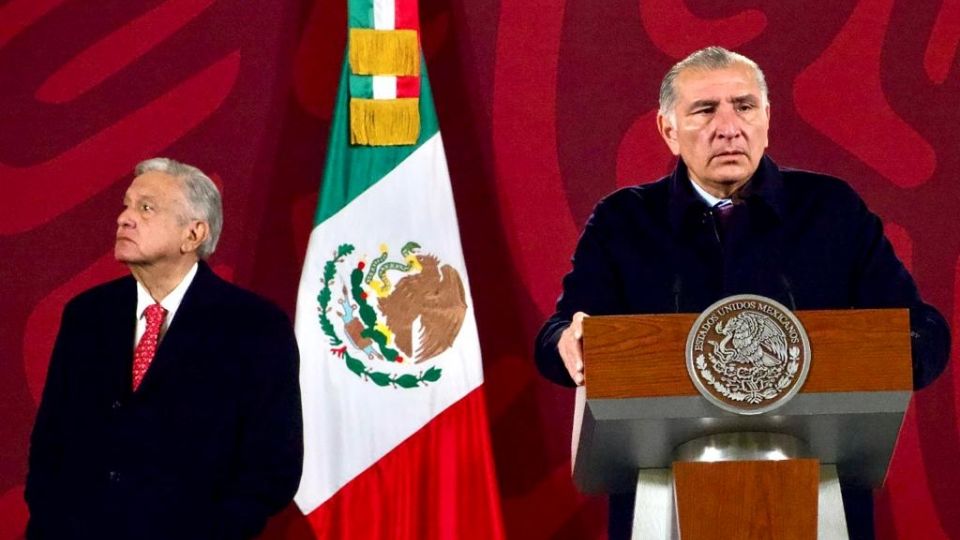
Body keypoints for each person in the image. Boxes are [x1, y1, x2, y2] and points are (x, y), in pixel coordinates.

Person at [534, 47, 951, 539]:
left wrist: (892, 353)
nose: (729, 127)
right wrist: (569, 342)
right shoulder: (623, 221)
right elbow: (558, 338)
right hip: (661, 502)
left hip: (818, 499)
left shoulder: (830, 209)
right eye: (705, 110)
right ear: (668, 130)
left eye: (745, 106)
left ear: (768, 120)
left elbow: (922, 331)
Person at [25, 158, 303, 539]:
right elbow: (49, 442)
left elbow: (273, 465)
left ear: (194, 234)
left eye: (146, 208)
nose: (124, 218)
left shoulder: (255, 327)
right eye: (126, 205)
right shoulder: (87, 315)